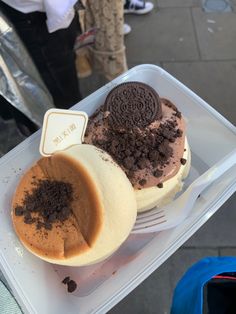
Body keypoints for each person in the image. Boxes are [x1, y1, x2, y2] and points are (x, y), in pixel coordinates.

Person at [0, 0, 82, 133]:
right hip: (33, 14)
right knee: (60, 93)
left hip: (45, 12)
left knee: (63, 80)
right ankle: (72, 134)